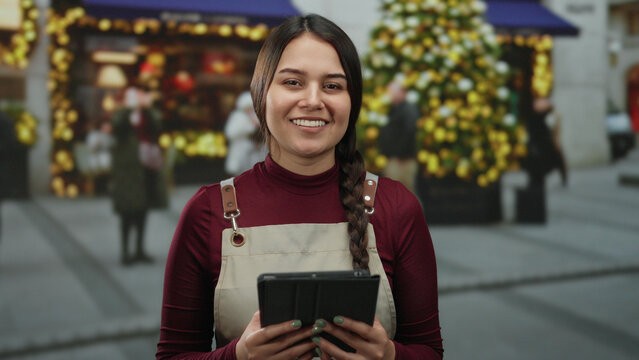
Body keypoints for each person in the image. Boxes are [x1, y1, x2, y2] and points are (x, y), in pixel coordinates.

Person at [157, 14, 442, 360]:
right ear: (261, 93)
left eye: (333, 86)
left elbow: (429, 351)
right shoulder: (209, 211)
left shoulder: (397, 207)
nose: (312, 100)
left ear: (352, 103)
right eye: (292, 82)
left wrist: (391, 355)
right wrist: (235, 357)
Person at [110, 85, 166, 265]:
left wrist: (148, 108)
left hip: (146, 167)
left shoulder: (147, 114)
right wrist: (128, 109)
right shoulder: (122, 113)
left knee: (143, 209)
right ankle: (125, 252)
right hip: (128, 170)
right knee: (127, 211)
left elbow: (157, 126)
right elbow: (117, 126)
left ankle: (140, 249)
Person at [378, 80, 420, 193]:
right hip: (395, 158)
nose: (389, 94)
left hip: (402, 160)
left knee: (405, 194)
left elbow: (409, 132)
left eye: (391, 91)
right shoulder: (394, 109)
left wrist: (399, 153)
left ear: (402, 92)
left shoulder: (408, 110)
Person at [224, 91, 267, 175]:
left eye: (251, 107)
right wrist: (248, 129)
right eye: (247, 107)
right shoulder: (237, 116)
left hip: (255, 151)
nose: (249, 110)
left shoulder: (256, 116)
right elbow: (230, 133)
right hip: (240, 149)